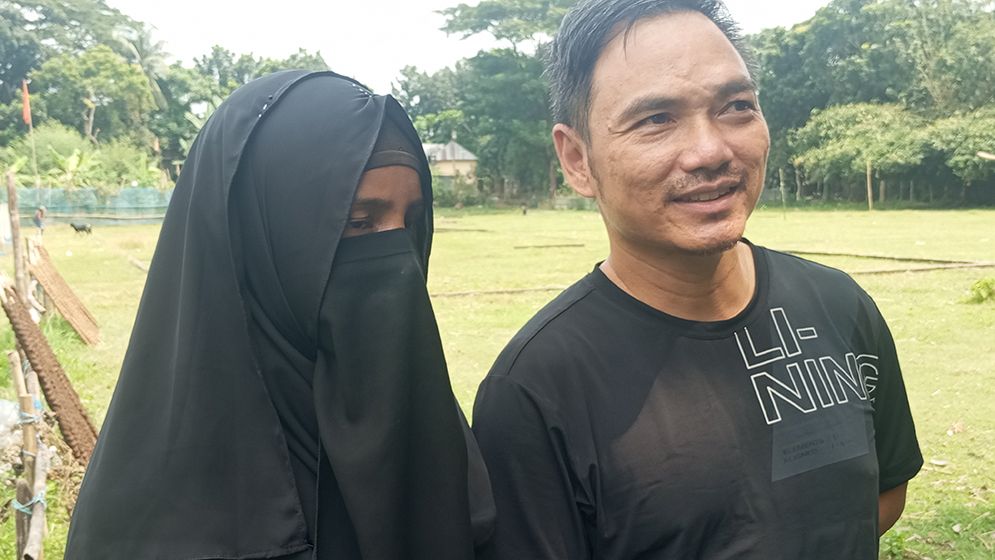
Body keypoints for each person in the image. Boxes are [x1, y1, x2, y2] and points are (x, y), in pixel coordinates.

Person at [472, 1, 923, 558]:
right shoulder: (535, 390)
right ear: (578, 160)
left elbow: (882, 492)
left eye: (736, 106)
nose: (710, 151)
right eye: (656, 119)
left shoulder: (838, 304)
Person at [65, 71, 493, 559]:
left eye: (410, 223)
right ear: (260, 235)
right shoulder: (148, 524)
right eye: (359, 222)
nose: (399, 262)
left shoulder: (423, 421)